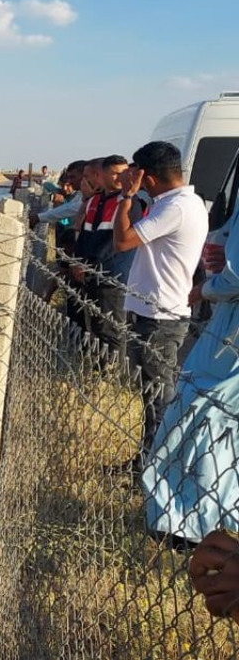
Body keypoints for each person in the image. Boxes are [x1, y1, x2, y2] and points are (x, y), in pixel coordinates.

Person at [142, 176, 239, 545]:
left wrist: (205, 288)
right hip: (226, 325)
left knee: (201, 419)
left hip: (229, 335)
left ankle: (189, 525)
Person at [114, 142, 208, 470]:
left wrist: (126, 197)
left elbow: (123, 240)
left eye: (133, 173)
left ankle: (158, 465)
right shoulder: (175, 202)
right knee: (152, 394)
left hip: (160, 317)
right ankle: (148, 459)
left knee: (158, 396)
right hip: (154, 311)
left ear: (147, 177)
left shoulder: (177, 207)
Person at [75, 154, 144, 355]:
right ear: (102, 174)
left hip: (114, 274)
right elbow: (84, 235)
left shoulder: (130, 202)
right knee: (95, 326)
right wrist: (78, 262)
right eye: (115, 174)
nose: (120, 179)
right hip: (91, 274)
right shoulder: (94, 201)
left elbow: (123, 241)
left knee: (111, 329)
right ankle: (99, 370)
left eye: (124, 174)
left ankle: (111, 374)